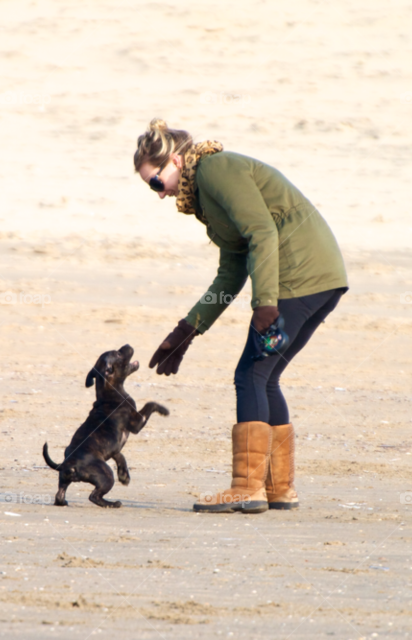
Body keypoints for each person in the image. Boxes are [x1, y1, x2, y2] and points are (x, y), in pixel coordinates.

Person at [134, 118, 348, 514]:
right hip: (321, 278)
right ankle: (277, 488)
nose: (159, 195)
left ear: (176, 161)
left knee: (249, 375)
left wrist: (265, 303)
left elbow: (262, 232)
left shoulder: (217, 170)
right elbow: (231, 269)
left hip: (299, 277)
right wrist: (187, 330)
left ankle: (246, 488)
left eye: (155, 182)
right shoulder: (205, 197)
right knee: (264, 377)